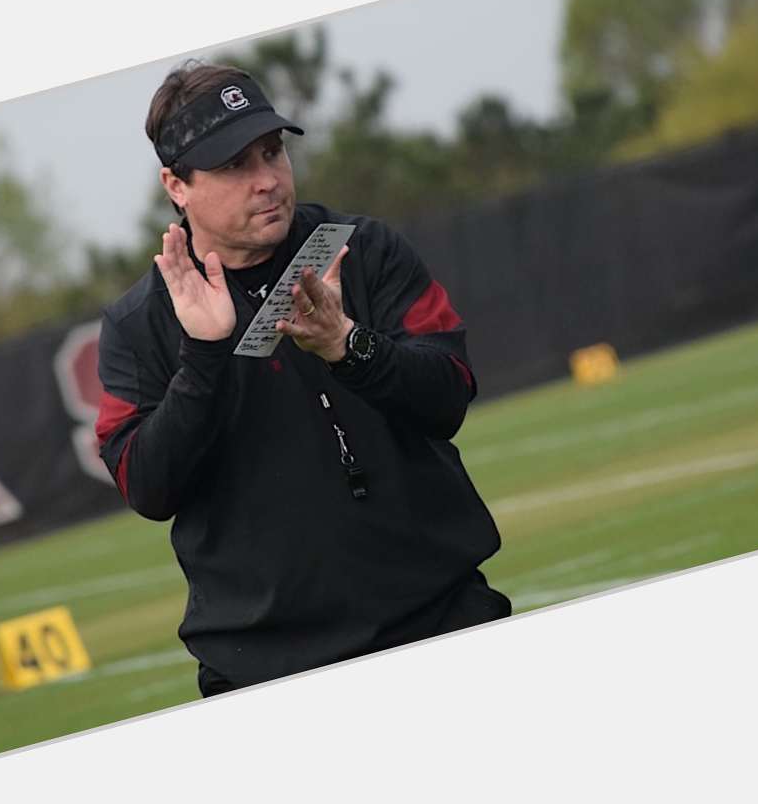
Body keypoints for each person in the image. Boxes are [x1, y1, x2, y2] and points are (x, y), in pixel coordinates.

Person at [95, 61, 510, 697]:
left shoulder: (361, 248)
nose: (266, 180)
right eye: (234, 166)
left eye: (272, 152)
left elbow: (449, 392)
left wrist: (349, 347)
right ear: (176, 185)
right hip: (264, 665)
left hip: (440, 618)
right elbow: (148, 486)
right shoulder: (140, 322)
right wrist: (205, 355)